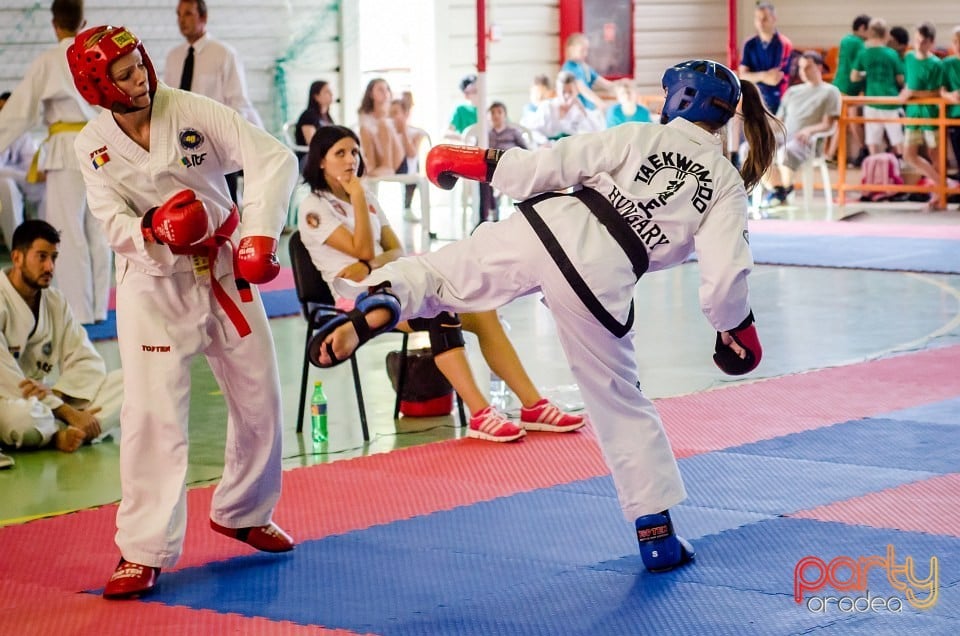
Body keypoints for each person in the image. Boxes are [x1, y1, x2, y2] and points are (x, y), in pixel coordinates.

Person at [314, 59, 773, 574]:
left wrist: (471, 160)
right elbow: (725, 275)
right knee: (619, 399)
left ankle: (381, 299)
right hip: (603, 272)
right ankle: (657, 534)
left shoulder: (639, 134)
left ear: (679, 100)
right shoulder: (728, 184)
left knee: (440, 274)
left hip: (549, 223)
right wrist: (735, 328)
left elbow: (549, 165)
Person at [68, 25, 299, 599]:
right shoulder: (90, 145)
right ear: (99, 86)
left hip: (223, 270)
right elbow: (110, 220)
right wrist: (152, 228)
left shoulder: (193, 110)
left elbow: (272, 157)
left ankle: (244, 510)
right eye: (123, 74)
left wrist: (260, 235)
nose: (140, 78)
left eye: (140, 64)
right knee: (154, 418)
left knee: (260, 397)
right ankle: (141, 550)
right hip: (153, 288)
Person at [298, 125, 583, 442]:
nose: (351, 159)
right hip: (354, 300)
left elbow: (394, 249)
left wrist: (370, 260)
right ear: (321, 161)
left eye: (354, 151)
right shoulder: (313, 206)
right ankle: (480, 413)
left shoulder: (366, 197)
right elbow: (365, 247)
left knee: (483, 310)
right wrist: (358, 208)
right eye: (340, 153)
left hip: (397, 282)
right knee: (441, 313)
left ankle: (533, 405)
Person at [0, 0, 112, 326]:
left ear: (54, 24)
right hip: (102, 150)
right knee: (100, 229)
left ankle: (78, 311)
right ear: (84, 23)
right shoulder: (95, 57)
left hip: (67, 150)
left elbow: (20, 113)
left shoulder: (49, 60)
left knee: (69, 232)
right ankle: (100, 309)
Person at [1, 220, 122, 467]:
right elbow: (7, 380)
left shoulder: (55, 302)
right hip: (8, 400)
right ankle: (59, 432)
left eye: (54, 258)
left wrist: (56, 394)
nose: (50, 266)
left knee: (128, 383)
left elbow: (87, 360)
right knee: (22, 418)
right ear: (17, 257)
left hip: (47, 402)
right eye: (41, 257)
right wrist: (67, 412)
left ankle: (59, 430)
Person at [164, 0, 263, 202]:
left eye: (188, 14)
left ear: (204, 17)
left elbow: (238, 102)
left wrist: (231, 144)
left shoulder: (223, 54)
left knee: (225, 204)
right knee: (190, 205)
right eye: (179, 15)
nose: (182, 21)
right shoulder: (173, 57)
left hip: (217, 146)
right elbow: (168, 102)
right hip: (183, 146)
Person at [760, 51, 841, 207]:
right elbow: (779, 121)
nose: (803, 71)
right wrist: (761, 129)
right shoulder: (792, 91)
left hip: (808, 141)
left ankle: (781, 192)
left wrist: (809, 130)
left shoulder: (830, 91)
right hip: (785, 135)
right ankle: (780, 189)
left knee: (786, 151)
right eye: (801, 68)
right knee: (754, 147)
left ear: (819, 67)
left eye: (808, 67)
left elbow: (829, 124)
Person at [900, 22, 945, 211]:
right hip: (913, 114)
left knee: (935, 155)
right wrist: (906, 93)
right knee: (909, 154)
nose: (919, 44)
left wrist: (912, 94)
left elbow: (935, 92)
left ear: (931, 43)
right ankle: (942, 184)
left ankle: (939, 194)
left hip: (930, 113)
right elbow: (908, 84)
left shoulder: (936, 64)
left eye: (924, 41)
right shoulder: (909, 58)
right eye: (917, 40)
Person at [851, 18, 905, 157]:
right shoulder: (891, 54)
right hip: (890, 101)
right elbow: (901, 79)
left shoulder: (863, 53)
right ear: (885, 33)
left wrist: (866, 74)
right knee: (897, 138)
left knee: (872, 139)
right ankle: (902, 165)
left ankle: (874, 166)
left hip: (872, 100)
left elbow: (854, 77)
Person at [0, 92, 43, 252]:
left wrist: (38, 174)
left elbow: (31, 162)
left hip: (19, 179)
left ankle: (44, 239)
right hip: (6, 182)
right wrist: (28, 176)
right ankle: (17, 246)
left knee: (44, 187)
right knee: (6, 185)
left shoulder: (21, 134)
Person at [829, 14, 871, 167]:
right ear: (862, 28)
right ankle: (832, 155)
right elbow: (862, 65)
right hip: (848, 88)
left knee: (847, 122)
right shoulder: (860, 44)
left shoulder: (845, 40)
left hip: (839, 84)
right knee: (846, 122)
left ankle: (861, 149)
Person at [738, 2, 793, 114]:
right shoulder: (749, 44)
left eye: (764, 19)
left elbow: (774, 79)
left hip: (776, 98)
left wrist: (753, 76)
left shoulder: (783, 44)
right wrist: (764, 75)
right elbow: (743, 75)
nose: (760, 22)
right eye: (758, 19)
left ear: (773, 19)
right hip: (752, 95)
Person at [478, 101, 528, 224]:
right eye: (492, 113)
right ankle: (484, 217)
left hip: (509, 165)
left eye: (499, 112)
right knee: (483, 179)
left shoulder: (513, 132)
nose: (496, 115)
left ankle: (520, 217)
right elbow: (478, 151)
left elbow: (525, 150)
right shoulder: (485, 134)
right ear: (488, 117)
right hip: (490, 167)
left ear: (505, 115)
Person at [527, 71, 605, 144]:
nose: (566, 96)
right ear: (557, 91)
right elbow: (531, 130)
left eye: (570, 92)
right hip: (548, 150)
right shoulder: (547, 107)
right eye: (563, 92)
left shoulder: (578, 111)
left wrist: (582, 109)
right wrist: (544, 142)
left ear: (576, 92)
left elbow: (597, 132)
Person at [356, 78, 405, 177]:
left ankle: (387, 165)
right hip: (378, 157)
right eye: (380, 89)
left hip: (397, 158)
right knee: (364, 129)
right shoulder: (365, 116)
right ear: (371, 94)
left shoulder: (394, 110)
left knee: (383, 123)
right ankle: (371, 164)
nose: (385, 93)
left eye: (387, 89)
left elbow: (402, 135)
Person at [561, 32, 615, 110]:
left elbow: (606, 84)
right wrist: (601, 103)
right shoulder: (569, 68)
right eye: (582, 50)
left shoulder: (584, 67)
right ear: (571, 49)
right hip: (576, 112)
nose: (585, 54)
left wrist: (623, 86)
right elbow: (583, 89)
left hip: (589, 111)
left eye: (587, 50)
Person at [294, 80, 335, 164]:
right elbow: (313, 143)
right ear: (316, 96)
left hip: (326, 156)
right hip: (309, 158)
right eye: (327, 92)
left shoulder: (328, 117)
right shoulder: (308, 116)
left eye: (331, 91)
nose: (331, 94)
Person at [942, 27, 960, 179]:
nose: (958, 45)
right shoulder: (947, 64)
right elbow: (941, 90)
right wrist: (950, 95)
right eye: (955, 42)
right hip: (954, 117)